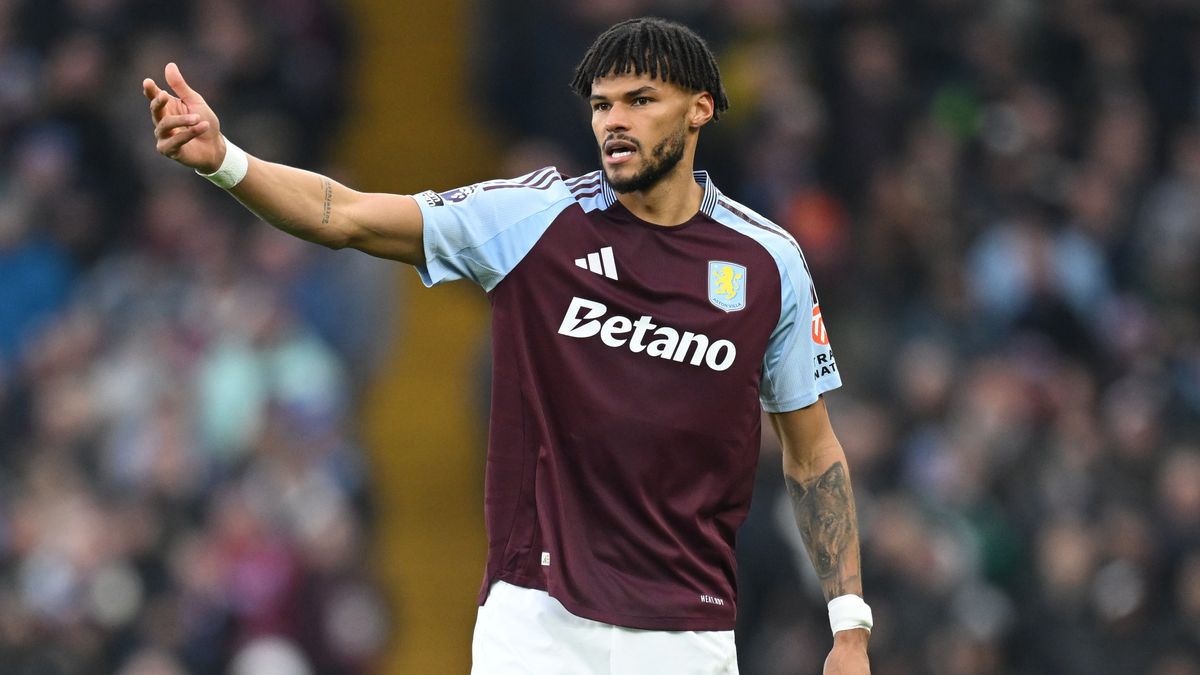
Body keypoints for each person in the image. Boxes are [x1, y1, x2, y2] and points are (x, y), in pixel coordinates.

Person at [143, 17, 872, 675]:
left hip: (685, 632)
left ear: (700, 109)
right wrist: (225, 160)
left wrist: (848, 627)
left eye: (640, 101)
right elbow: (348, 217)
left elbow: (811, 451)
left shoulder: (766, 262)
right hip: (538, 619)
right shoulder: (534, 220)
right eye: (601, 105)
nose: (614, 122)